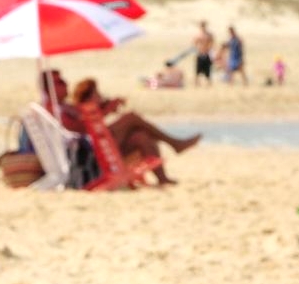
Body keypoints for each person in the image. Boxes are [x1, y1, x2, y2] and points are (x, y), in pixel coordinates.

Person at [69, 77, 198, 184]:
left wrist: (106, 108)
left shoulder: (88, 109)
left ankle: (162, 178)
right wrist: (108, 109)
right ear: (87, 96)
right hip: (98, 151)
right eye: (96, 94)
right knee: (131, 118)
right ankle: (174, 143)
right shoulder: (81, 110)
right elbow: (85, 129)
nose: (100, 96)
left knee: (140, 137)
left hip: (105, 147)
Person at [192, 22, 215, 87]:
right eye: (201, 26)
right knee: (197, 71)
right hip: (200, 53)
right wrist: (198, 50)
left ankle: (208, 84)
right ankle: (196, 84)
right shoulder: (198, 35)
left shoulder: (209, 35)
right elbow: (194, 44)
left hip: (207, 53)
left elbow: (212, 43)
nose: (203, 27)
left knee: (208, 70)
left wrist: (210, 51)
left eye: (203, 26)